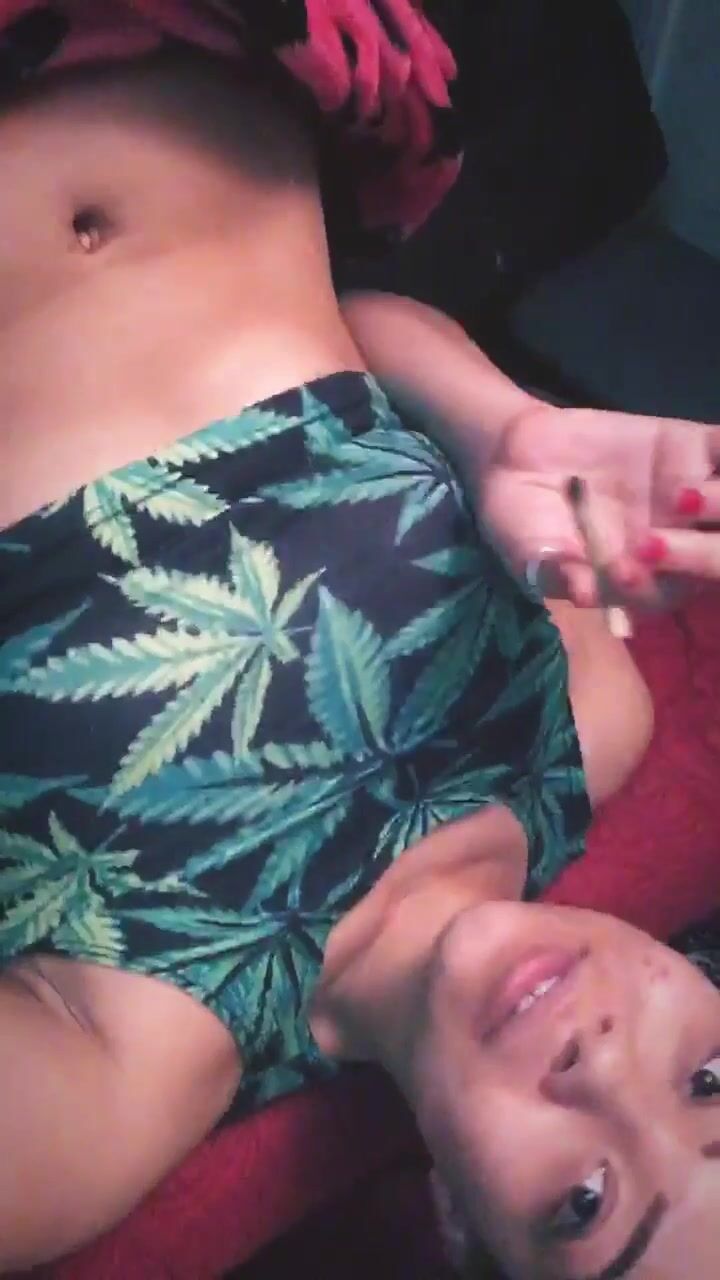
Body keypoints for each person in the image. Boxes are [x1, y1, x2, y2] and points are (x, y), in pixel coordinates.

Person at [0, 4, 720, 1276]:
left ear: (458, 1229)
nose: (603, 1066)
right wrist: (501, 428)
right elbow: (353, 334)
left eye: (584, 1202)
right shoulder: (590, 716)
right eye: (709, 1079)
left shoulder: (122, 1072)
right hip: (211, 47)